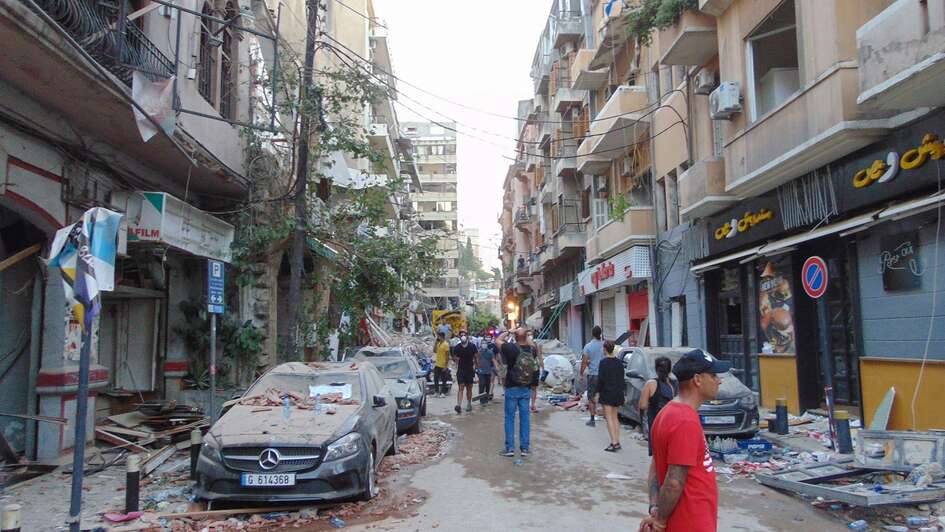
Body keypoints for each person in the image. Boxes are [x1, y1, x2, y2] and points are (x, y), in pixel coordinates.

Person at [639, 349, 730, 532]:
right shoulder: (685, 421)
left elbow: (656, 467)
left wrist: (655, 508)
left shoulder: (667, 412)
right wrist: (661, 520)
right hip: (690, 522)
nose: (719, 380)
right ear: (697, 380)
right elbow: (674, 481)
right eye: (713, 375)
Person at [496, 327, 537, 457]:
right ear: (526, 337)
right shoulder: (532, 349)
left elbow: (497, 340)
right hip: (526, 388)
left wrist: (509, 332)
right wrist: (524, 333)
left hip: (512, 388)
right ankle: (525, 448)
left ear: (515, 337)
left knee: (509, 418)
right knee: (525, 419)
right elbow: (530, 342)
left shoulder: (510, 349)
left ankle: (510, 448)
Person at [639, 356, 677, 455]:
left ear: (656, 369)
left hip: (657, 424)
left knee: (657, 457)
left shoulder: (651, 384)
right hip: (674, 424)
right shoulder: (675, 384)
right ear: (669, 369)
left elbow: (642, 405)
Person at [597, 340, 626, 452]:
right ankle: (617, 441)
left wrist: (597, 392)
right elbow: (622, 380)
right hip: (617, 393)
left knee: (609, 418)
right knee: (615, 417)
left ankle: (614, 443)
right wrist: (623, 393)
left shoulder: (603, 363)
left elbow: (601, 380)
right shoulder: (619, 363)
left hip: (607, 393)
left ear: (605, 349)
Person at [580, 326, 605, 426]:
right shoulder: (605, 345)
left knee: (591, 397)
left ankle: (592, 419)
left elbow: (584, 361)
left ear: (592, 334)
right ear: (600, 333)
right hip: (604, 375)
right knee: (604, 396)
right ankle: (607, 417)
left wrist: (581, 373)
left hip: (593, 375)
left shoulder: (588, 346)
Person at [451, 330, 478, 413]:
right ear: (459, 337)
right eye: (461, 335)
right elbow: (455, 358)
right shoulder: (457, 347)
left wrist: (477, 368)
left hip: (470, 370)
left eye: (464, 334)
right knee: (461, 387)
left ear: (467, 336)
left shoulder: (472, 346)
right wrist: (455, 360)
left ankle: (469, 404)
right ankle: (458, 405)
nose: (463, 336)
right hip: (461, 370)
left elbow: (476, 357)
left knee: (469, 388)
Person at [524, 330, 543, 412]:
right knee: (526, 388)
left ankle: (532, 404)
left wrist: (543, 367)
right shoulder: (522, 345)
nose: (529, 336)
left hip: (534, 368)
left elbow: (539, 356)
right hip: (525, 369)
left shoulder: (536, 345)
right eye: (528, 335)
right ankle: (526, 404)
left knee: (534, 388)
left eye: (530, 335)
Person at [476, 333, 497, 405]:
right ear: (481, 344)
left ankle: (486, 398)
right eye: (483, 343)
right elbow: (476, 360)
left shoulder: (490, 352)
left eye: (485, 343)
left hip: (488, 371)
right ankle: (481, 400)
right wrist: (476, 368)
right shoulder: (478, 352)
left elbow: (493, 360)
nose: (484, 344)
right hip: (481, 371)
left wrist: (496, 368)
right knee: (482, 384)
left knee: (487, 385)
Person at [433, 332, 450, 398]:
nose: (438, 337)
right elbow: (434, 351)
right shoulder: (439, 343)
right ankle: (436, 392)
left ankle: (443, 393)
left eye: (438, 336)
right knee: (436, 378)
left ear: (442, 336)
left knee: (443, 379)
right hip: (437, 364)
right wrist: (435, 343)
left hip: (443, 365)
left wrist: (446, 366)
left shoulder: (446, 344)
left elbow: (447, 356)